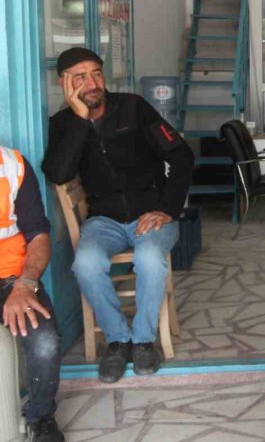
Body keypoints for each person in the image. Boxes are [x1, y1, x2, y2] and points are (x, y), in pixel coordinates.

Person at [42, 48, 194, 383]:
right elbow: (58, 173)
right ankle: (117, 340)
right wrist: (81, 120)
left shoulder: (133, 107)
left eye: (96, 73)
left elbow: (182, 156)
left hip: (151, 216)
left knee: (150, 256)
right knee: (85, 263)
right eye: (79, 77)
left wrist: (166, 209)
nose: (92, 83)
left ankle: (142, 341)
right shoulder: (63, 124)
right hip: (104, 221)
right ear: (64, 83)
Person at [1, 146, 64, 441]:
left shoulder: (12, 165)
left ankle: (40, 416)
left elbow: (38, 234)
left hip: (13, 278)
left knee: (45, 340)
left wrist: (25, 284)